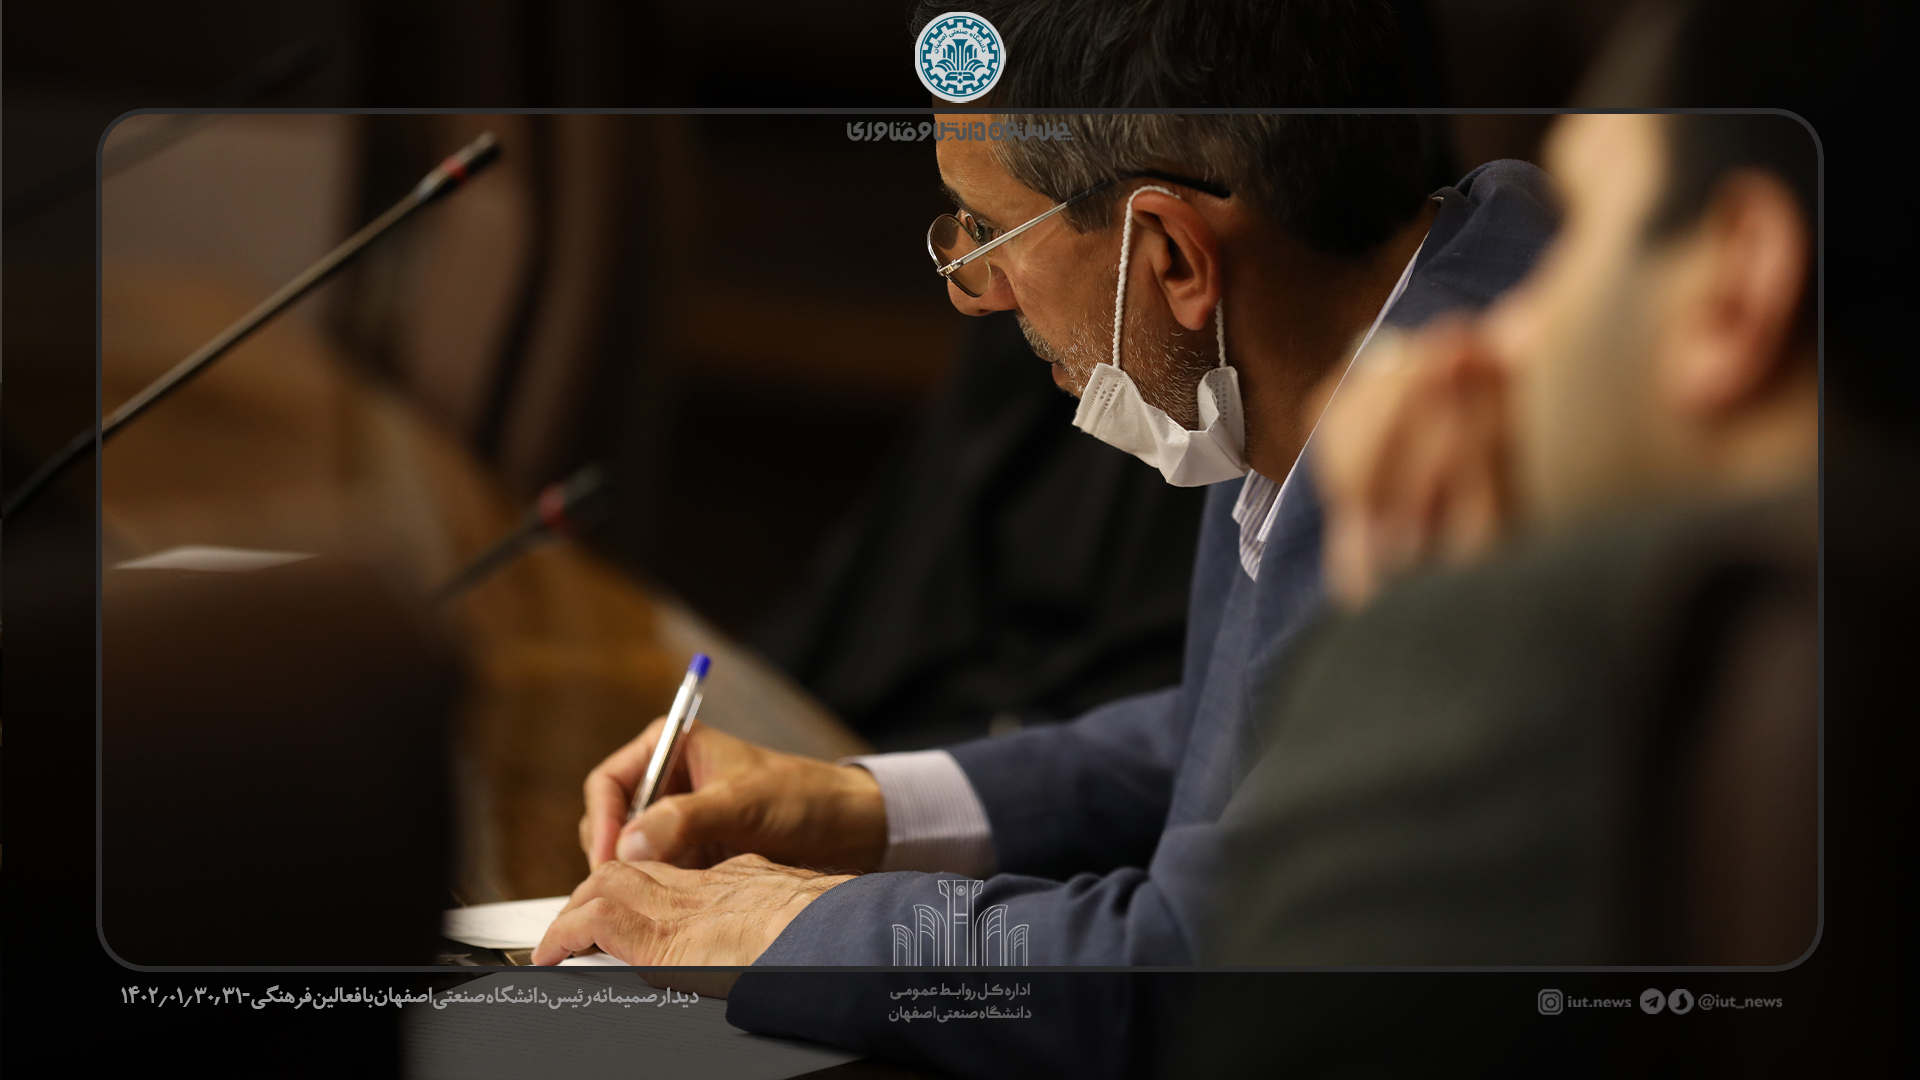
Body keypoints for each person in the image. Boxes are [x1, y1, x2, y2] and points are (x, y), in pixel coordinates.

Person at [533, 1, 1556, 1071]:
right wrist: (868, 805)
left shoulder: (1460, 475)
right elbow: (1257, 737)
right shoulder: (1344, 336)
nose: (974, 295)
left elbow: (1195, 982)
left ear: (1173, 254)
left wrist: (792, 928)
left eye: (990, 233)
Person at [1186, 0, 1826, 1067]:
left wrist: (1419, 651)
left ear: (1737, 288)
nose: (1499, 333)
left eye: (1575, 233)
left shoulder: (1555, 725)